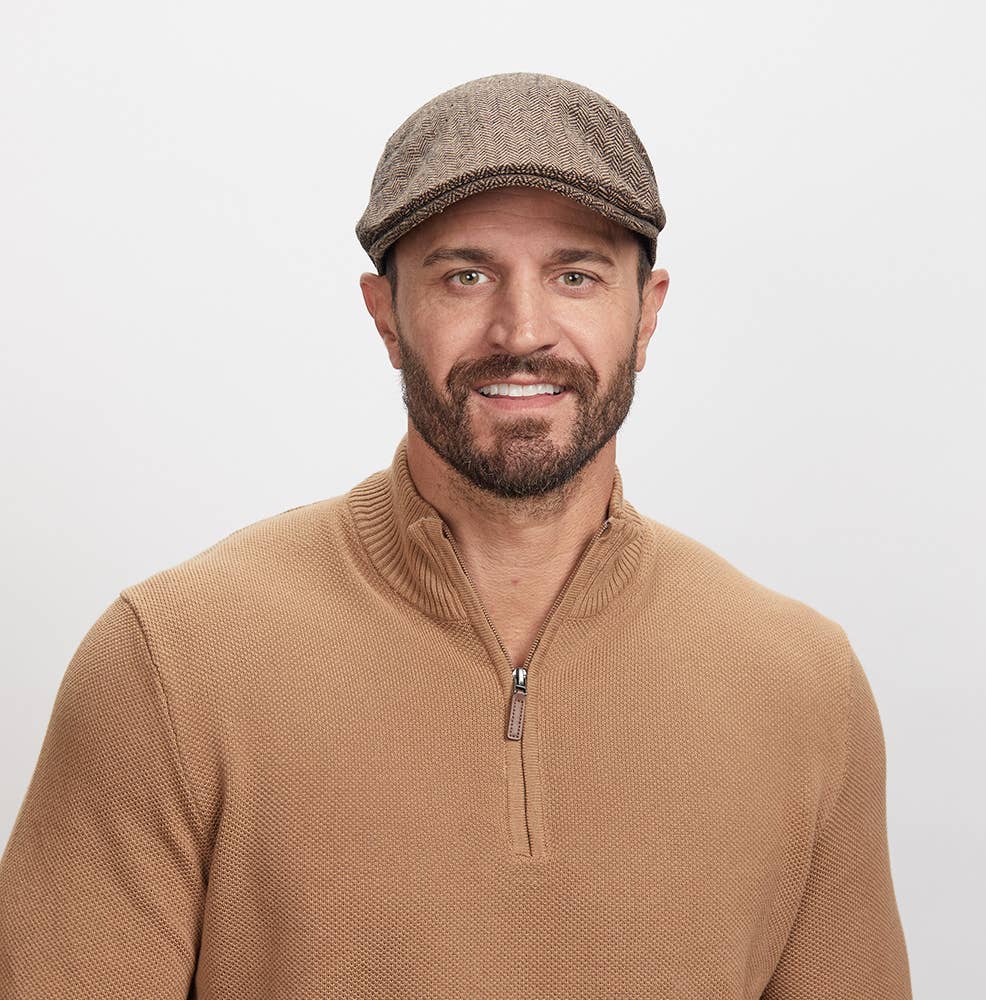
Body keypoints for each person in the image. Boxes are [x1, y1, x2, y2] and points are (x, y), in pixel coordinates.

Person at [0, 72, 912, 998]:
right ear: (386, 315)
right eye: (465, 275)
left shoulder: (804, 685)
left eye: (577, 275)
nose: (523, 330)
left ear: (648, 312)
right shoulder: (170, 661)